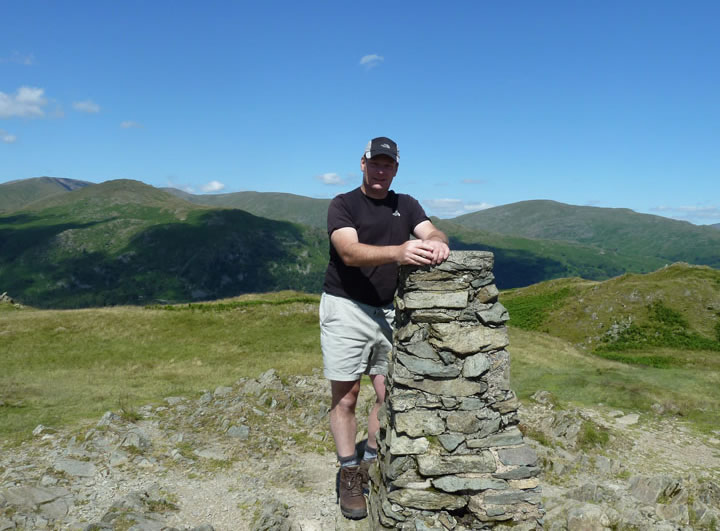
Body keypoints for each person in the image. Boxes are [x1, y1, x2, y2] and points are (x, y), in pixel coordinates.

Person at [320, 136, 450, 519]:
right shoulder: (343, 204)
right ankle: (349, 473)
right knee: (347, 396)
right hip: (346, 306)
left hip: (387, 311)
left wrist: (439, 243)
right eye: (374, 163)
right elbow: (348, 250)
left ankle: (373, 462)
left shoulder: (405, 204)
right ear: (362, 164)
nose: (380, 170)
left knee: (388, 392)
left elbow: (432, 232)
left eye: (387, 165)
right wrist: (399, 251)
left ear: (395, 169)